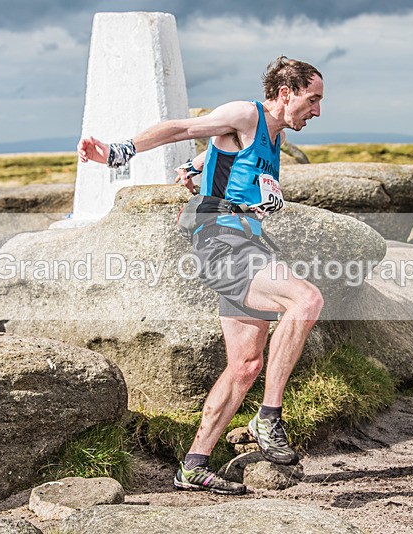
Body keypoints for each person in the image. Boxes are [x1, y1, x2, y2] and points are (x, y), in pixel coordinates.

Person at [78, 56, 324, 495]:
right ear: (286, 93)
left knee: (245, 365)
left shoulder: (271, 137)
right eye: (313, 98)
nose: (318, 110)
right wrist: (118, 151)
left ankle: (193, 464)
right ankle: (269, 418)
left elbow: (218, 156)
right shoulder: (247, 114)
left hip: (243, 246)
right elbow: (179, 128)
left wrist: (195, 169)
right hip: (222, 245)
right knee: (305, 300)